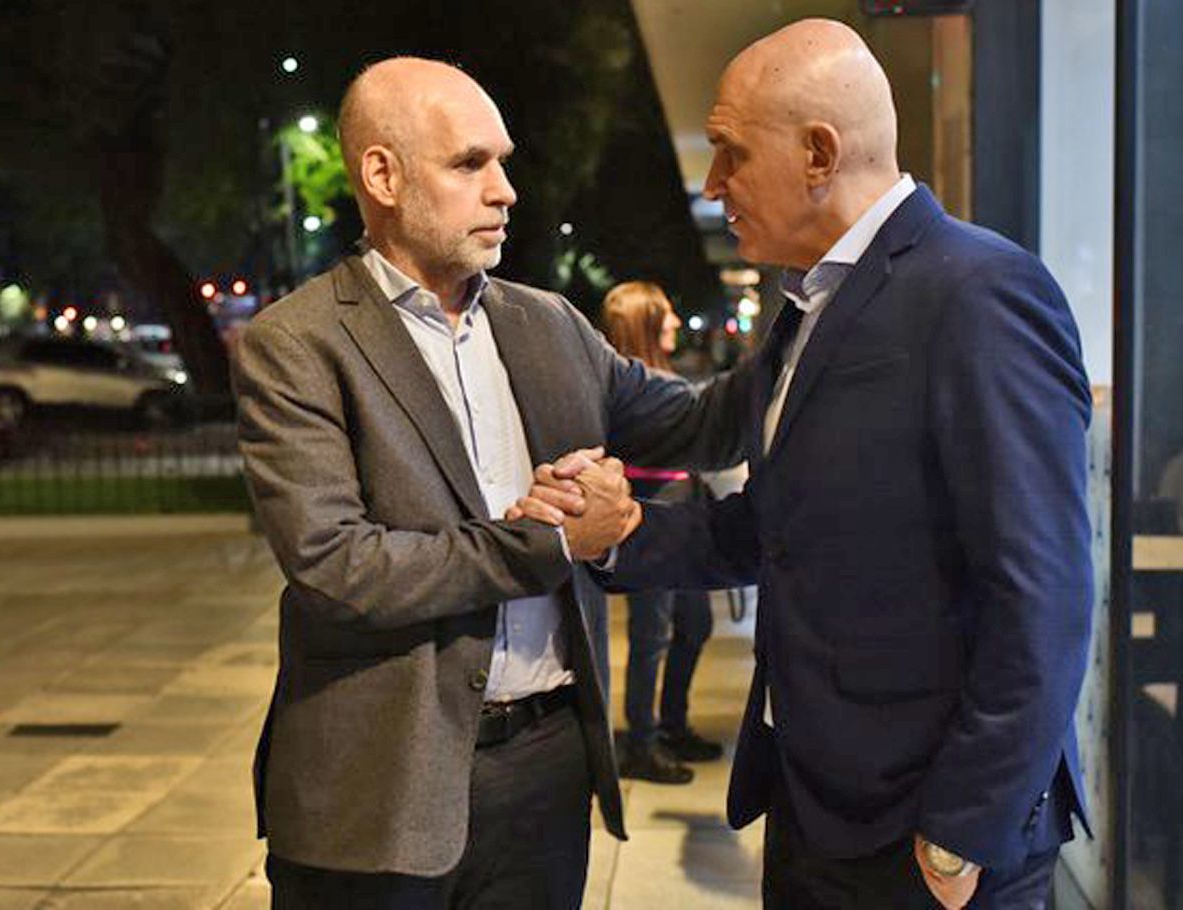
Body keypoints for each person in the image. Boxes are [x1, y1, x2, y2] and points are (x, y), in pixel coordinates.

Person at [518, 19, 1093, 910]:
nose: (714, 183)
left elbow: (1045, 590)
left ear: (819, 153)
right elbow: (777, 528)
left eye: (732, 152)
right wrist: (622, 531)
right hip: (816, 804)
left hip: (927, 833)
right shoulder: (808, 307)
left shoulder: (980, 293)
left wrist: (964, 829)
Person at [233, 57, 750, 909]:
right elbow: (337, 566)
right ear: (383, 176)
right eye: (470, 163)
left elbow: (703, 424)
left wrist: (819, 298)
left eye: (502, 163)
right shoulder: (296, 343)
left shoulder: (548, 325)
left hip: (544, 772)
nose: (505, 190)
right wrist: (550, 541)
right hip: (375, 792)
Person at [601, 281, 724, 785]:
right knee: (650, 634)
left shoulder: (660, 381)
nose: (675, 322)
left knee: (693, 625)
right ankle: (642, 742)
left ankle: (671, 725)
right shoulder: (624, 388)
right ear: (644, 323)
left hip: (680, 515)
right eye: (666, 314)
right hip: (645, 521)